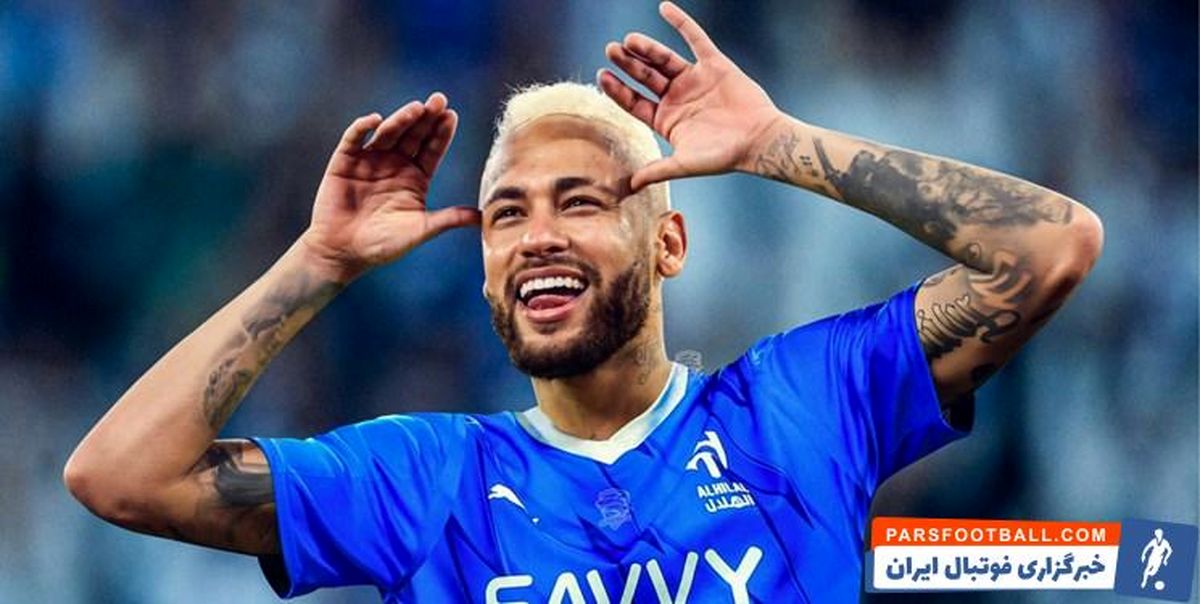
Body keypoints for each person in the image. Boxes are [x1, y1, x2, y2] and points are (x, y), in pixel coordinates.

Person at [63, 2, 1103, 601]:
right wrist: (318, 263)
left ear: (670, 243)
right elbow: (119, 475)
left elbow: (1051, 247)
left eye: (582, 201)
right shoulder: (427, 479)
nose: (539, 236)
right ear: (485, 271)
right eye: (507, 214)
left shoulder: (799, 411)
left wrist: (778, 145)